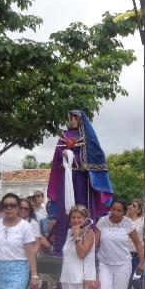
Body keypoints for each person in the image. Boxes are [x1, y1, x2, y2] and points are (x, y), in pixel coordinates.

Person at [47, 110, 114, 257]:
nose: (71, 121)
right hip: (67, 177)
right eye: (69, 118)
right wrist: (64, 155)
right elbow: (58, 156)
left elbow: (94, 156)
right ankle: (62, 245)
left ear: (80, 120)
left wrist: (76, 157)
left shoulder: (87, 137)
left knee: (82, 207)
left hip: (82, 179)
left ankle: (86, 243)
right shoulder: (64, 135)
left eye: (74, 118)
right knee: (65, 209)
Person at [95, 199, 144, 289]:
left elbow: (138, 243)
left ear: (124, 212)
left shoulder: (128, 223)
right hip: (104, 263)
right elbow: (95, 242)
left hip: (123, 264)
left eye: (119, 210)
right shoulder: (102, 221)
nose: (115, 213)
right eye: (113, 209)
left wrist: (141, 262)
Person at [18, 198, 44, 289]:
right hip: (15, 260)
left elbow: (37, 243)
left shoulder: (32, 223)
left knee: (30, 287)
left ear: (30, 210)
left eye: (26, 208)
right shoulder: (11, 222)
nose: (23, 210)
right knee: (17, 287)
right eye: (21, 207)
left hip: (29, 260)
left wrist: (29, 257)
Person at [124, 198, 144, 289]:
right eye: (130, 204)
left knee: (136, 281)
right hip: (125, 256)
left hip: (137, 256)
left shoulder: (143, 221)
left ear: (139, 209)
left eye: (134, 205)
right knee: (126, 283)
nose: (131, 206)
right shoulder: (124, 221)